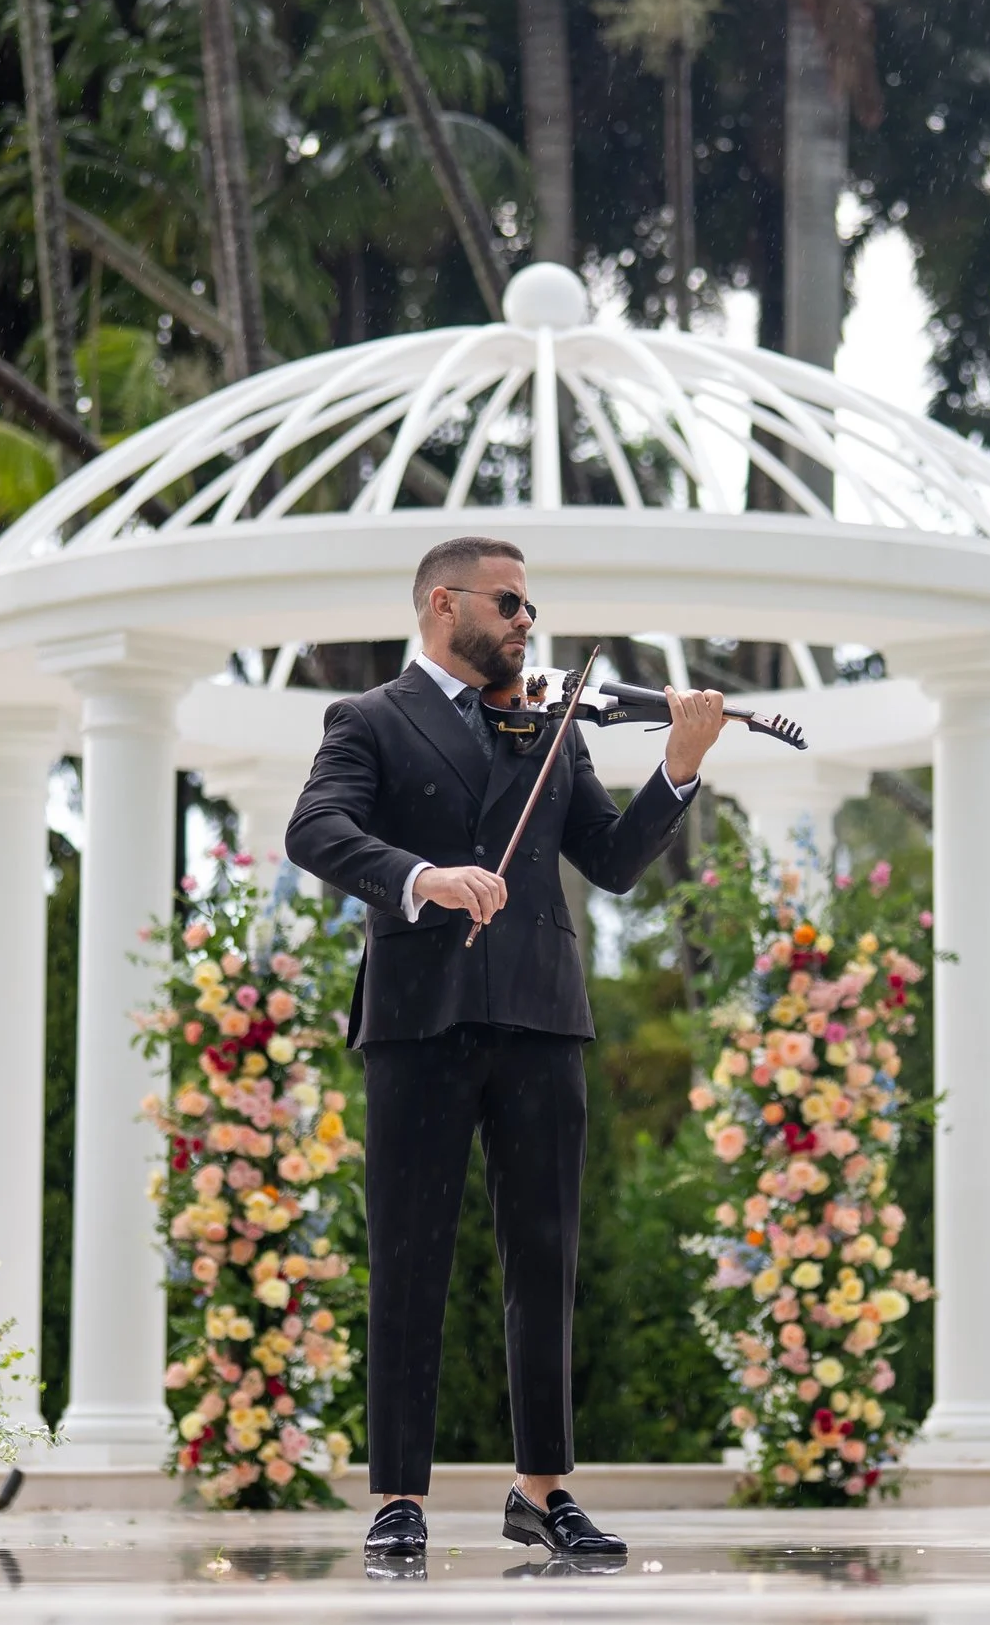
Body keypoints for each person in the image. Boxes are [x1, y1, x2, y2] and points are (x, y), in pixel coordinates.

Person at [286, 536, 731, 1567]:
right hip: (419, 1016)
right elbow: (315, 828)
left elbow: (612, 862)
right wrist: (421, 876)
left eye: (531, 607)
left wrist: (677, 766)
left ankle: (543, 1491)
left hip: (539, 1012)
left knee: (545, 1259)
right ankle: (398, 1494)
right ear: (444, 603)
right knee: (408, 1258)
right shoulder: (368, 719)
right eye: (511, 603)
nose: (528, 622)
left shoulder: (548, 720)